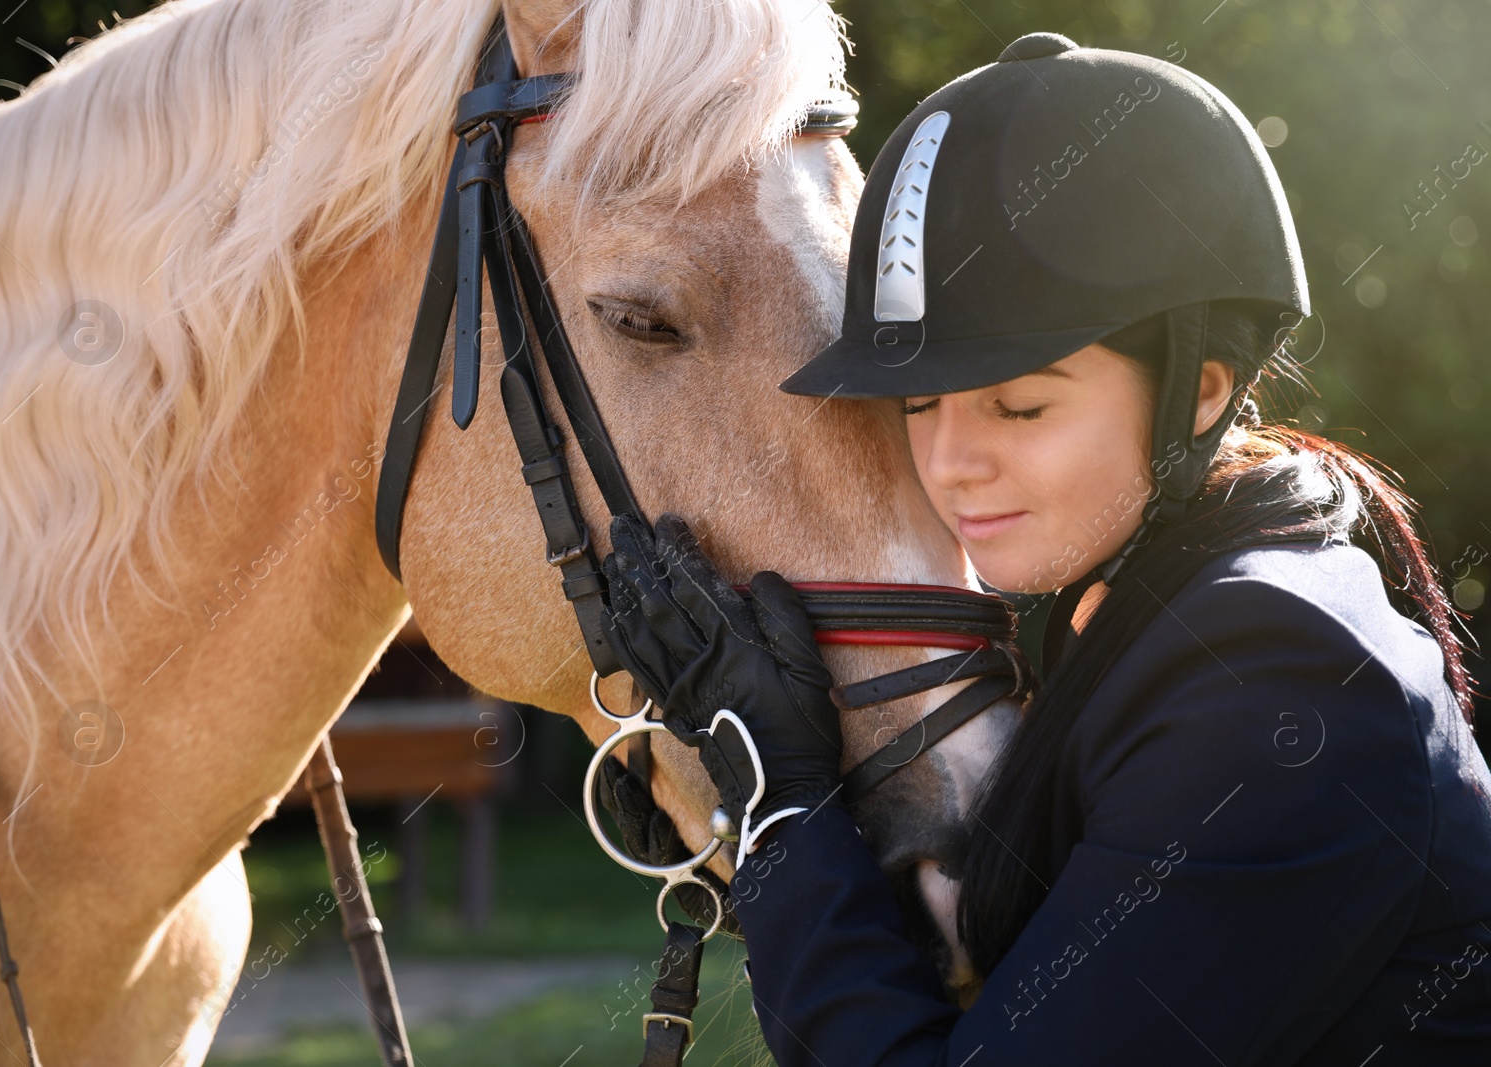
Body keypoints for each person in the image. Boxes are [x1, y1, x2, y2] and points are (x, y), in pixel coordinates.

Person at [600, 32, 1491, 1066]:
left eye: (1017, 406)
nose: (950, 462)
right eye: (918, 403)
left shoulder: (1274, 684)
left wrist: (782, 811)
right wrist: (772, 825)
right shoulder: (1151, 610)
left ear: (1198, 390)